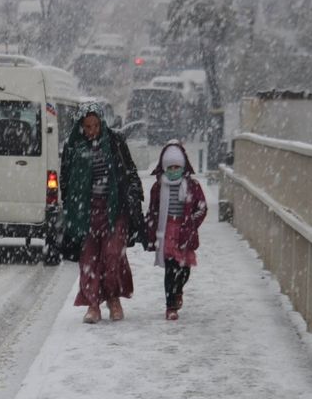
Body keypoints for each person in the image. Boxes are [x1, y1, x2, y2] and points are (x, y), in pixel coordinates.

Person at [60, 101, 145, 324]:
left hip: (114, 210)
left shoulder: (115, 142)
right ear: (81, 127)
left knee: (112, 255)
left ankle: (113, 298)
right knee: (88, 259)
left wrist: (133, 198)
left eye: (96, 125)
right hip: (86, 212)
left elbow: (129, 172)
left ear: (102, 123)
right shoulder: (73, 146)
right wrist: (71, 208)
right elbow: (66, 181)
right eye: (87, 127)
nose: (92, 131)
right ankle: (93, 304)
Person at [144, 141, 207, 320]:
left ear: (183, 166)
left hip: (185, 231)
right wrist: (151, 230)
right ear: (164, 167)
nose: (173, 170)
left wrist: (192, 223)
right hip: (167, 232)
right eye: (170, 167)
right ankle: (170, 305)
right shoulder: (158, 188)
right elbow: (153, 211)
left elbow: (201, 208)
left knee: (184, 269)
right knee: (170, 269)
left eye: (177, 166)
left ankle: (178, 290)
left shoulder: (192, 187)